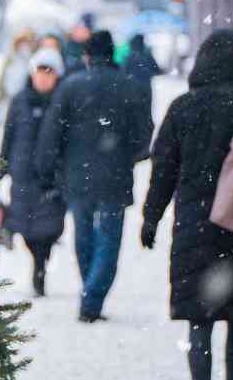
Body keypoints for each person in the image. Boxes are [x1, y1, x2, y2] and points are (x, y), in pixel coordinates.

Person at [140, 29, 233, 380]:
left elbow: (163, 170)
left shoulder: (183, 108)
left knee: (200, 321)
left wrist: (151, 218)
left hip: (195, 228)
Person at [35, 30, 153, 322]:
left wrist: (48, 169)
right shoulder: (129, 86)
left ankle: (89, 290)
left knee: (84, 236)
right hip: (115, 177)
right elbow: (144, 135)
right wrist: (129, 156)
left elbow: (52, 133)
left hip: (77, 177)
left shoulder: (69, 87)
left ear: (86, 56)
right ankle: (93, 296)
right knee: (109, 241)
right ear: (112, 54)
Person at [0, 46, 68, 297]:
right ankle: (38, 264)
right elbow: (8, 136)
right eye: (40, 71)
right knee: (27, 229)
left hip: (51, 178)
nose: (44, 77)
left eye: (49, 72)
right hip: (23, 174)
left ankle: (41, 265)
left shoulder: (63, 101)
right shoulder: (19, 101)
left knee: (49, 230)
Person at [124, 33, 163, 143]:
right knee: (147, 113)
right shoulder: (147, 55)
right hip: (146, 88)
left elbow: (123, 73)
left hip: (133, 89)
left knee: (136, 113)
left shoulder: (128, 57)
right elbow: (157, 70)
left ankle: (138, 137)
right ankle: (148, 138)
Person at [0, 29, 36, 126]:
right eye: (22, 44)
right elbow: (1, 84)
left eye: (27, 44)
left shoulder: (33, 62)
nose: (24, 48)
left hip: (25, 102)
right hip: (8, 100)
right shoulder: (10, 60)